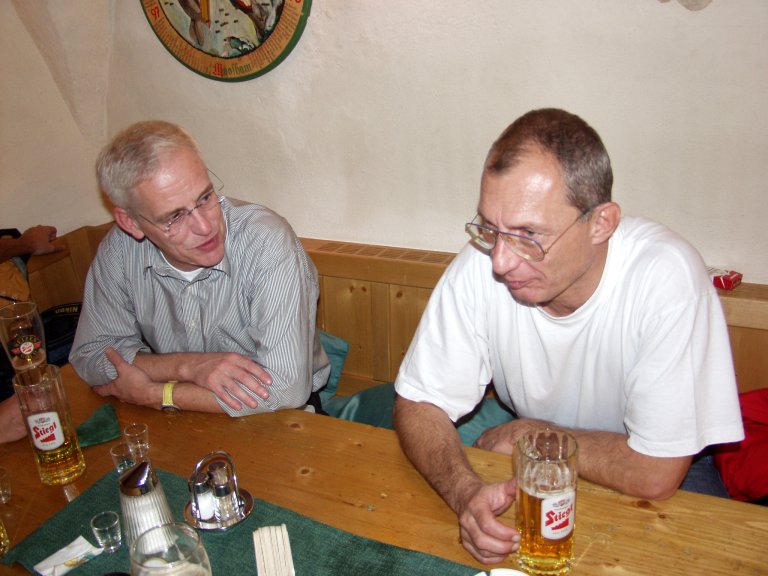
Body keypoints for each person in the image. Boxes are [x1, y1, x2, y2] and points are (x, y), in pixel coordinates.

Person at [392, 108, 744, 564]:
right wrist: (464, 493)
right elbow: (419, 403)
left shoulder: (666, 278)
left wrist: (531, 434)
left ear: (601, 223)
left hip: (664, 466)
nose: (499, 261)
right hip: (536, 465)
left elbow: (656, 473)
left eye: (528, 234)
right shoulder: (480, 265)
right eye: (490, 228)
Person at [69, 120, 329, 416]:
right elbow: (90, 354)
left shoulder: (266, 241)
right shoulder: (119, 251)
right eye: (175, 217)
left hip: (279, 417)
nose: (205, 227)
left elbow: (285, 390)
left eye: (205, 197)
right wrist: (187, 366)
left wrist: (156, 393)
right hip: (183, 410)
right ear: (131, 223)